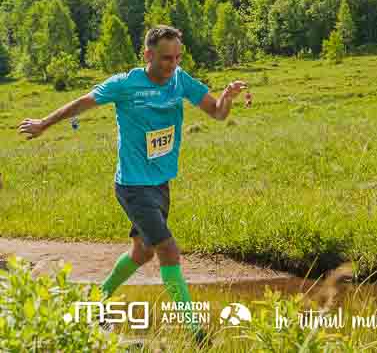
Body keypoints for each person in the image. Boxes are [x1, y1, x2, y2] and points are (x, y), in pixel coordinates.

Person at [18, 25, 248, 344]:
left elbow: (218, 113)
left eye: (178, 57)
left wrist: (227, 97)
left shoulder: (181, 80)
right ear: (148, 55)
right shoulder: (125, 84)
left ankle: (96, 300)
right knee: (168, 250)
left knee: (142, 252)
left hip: (160, 184)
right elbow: (82, 102)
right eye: (166, 58)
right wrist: (44, 124)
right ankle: (196, 333)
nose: (173, 64)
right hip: (133, 186)